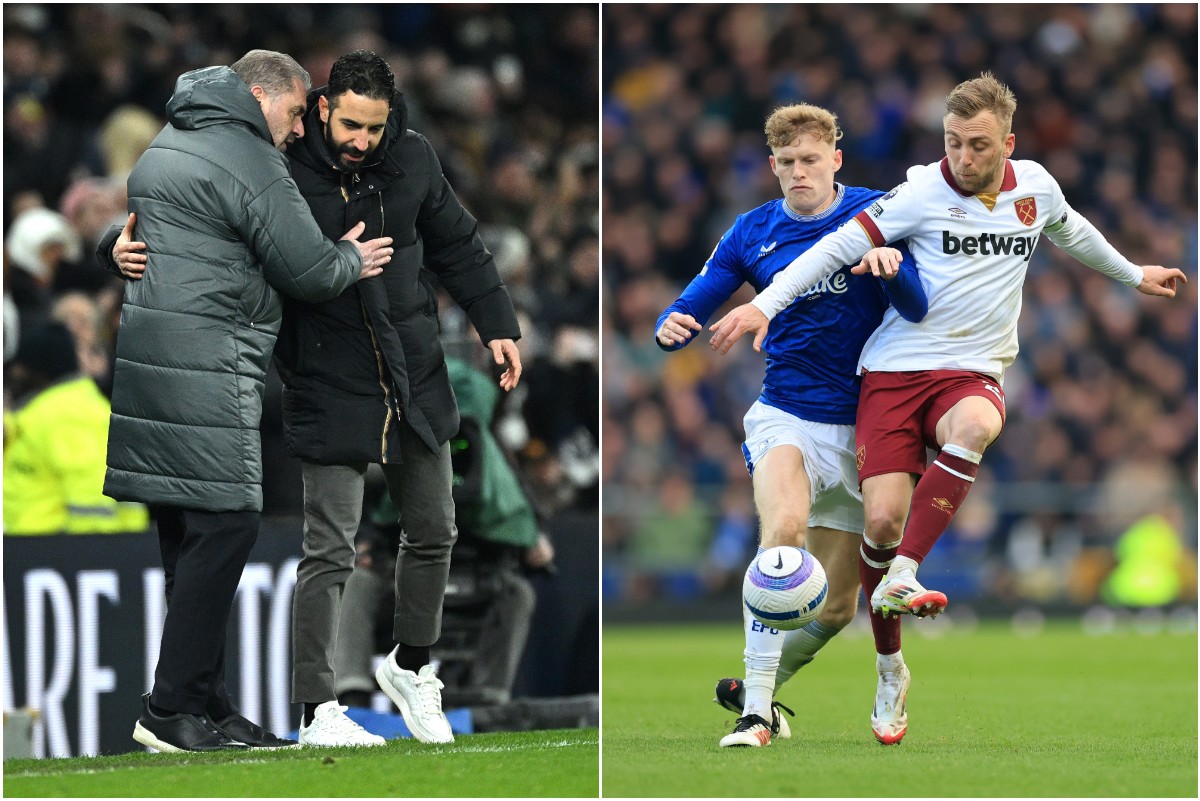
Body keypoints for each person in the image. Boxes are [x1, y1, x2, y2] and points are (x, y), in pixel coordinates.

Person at [709, 72, 1186, 743]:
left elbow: (1073, 232)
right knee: (879, 523)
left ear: (1009, 144)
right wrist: (764, 301)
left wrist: (1136, 274)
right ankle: (889, 665)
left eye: (978, 146)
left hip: (971, 371)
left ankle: (905, 570)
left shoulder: (1035, 189)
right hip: (893, 373)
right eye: (953, 142)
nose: (963, 158)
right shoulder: (921, 192)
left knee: (978, 424)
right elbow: (832, 249)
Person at [113, 50, 522, 747]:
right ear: (322, 107)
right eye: (345, 122)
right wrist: (110, 247)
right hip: (324, 377)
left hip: (413, 374)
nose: (359, 140)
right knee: (323, 546)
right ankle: (311, 707)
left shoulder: (411, 159)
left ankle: (410, 665)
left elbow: (457, 243)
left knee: (435, 529)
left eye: (375, 127)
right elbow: (228, 240)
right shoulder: (275, 160)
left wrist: (498, 324)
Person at [99, 49, 393, 754]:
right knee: (228, 527)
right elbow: (308, 267)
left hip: (149, 370)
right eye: (296, 113)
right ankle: (170, 707)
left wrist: (112, 246)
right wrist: (353, 258)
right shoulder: (249, 156)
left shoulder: (169, 141)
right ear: (262, 98)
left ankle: (209, 705)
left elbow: (141, 230)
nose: (298, 131)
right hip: (207, 368)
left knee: (188, 539)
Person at [653, 103, 927, 748]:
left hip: (869, 429)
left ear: (835, 160)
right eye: (787, 164)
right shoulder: (752, 232)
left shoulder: (881, 213)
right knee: (782, 536)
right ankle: (753, 715)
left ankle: (767, 695)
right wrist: (672, 325)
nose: (799, 172)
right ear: (772, 168)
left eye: (810, 160)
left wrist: (893, 274)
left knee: (833, 608)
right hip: (789, 416)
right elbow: (695, 299)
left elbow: (916, 307)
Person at [3, 322, 149, 535]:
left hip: (58, 554)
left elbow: (92, 500)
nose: (13, 375)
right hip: (55, 554)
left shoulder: (62, 414)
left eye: (19, 367)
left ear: (38, 369)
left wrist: (84, 560)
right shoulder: (69, 407)